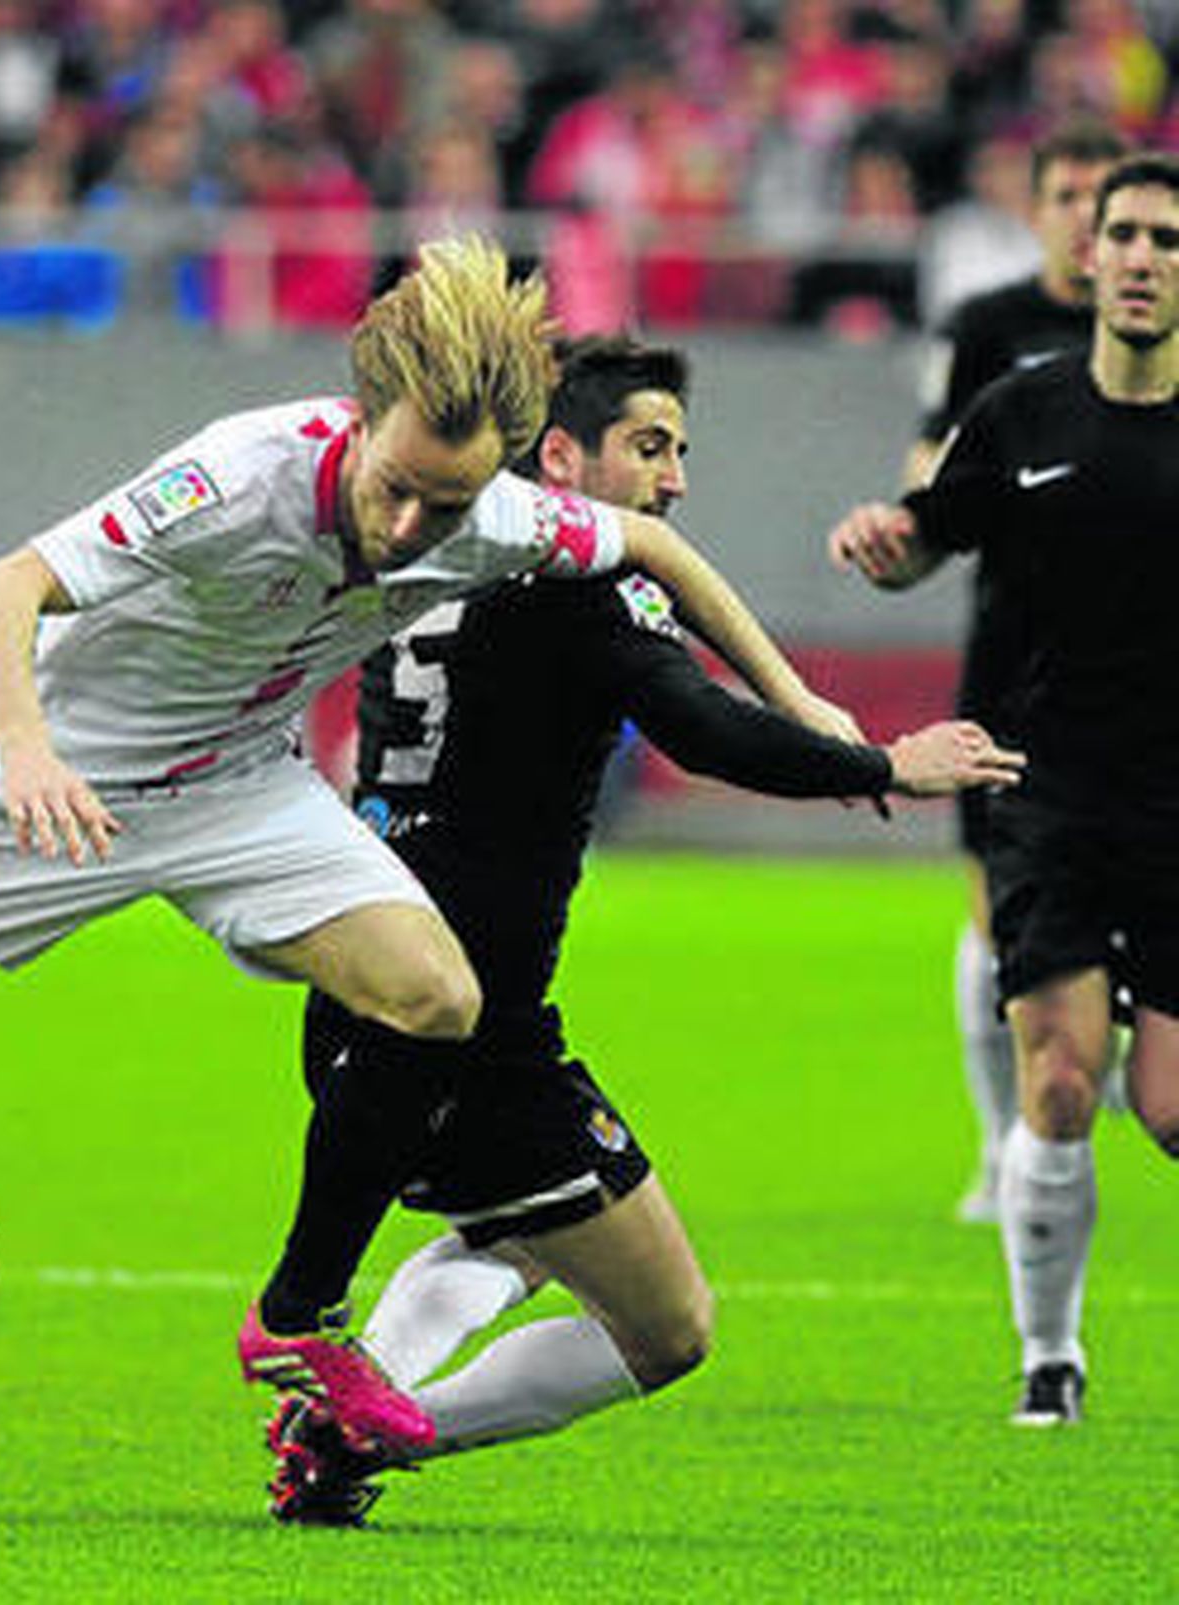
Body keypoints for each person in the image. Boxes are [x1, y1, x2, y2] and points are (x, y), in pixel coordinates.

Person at [0, 235, 856, 1313]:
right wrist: (24, 747)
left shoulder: (497, 517)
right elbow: (0, 590)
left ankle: (300, 1321)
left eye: (442, 507)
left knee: (437, 993)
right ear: (362, 420)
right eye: (394, 489)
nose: (407, 529)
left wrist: (795, 699)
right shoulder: (238, 477)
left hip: (239, 789)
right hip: (62, 781)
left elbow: (650, 543)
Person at [238, 335, 1025, 1524]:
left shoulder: (428, 551)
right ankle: (353, 1436)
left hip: (371, 982)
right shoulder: (580, 584)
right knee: (667, 1329)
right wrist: (882, 764)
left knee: (518, 1239)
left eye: (679, 450)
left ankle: (351, 1406)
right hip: (471, 1028)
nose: (674, 479)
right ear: (561, 458)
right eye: (649, 447)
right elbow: (698, 724)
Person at [828, 153, 1179, 1426]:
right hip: (1049, 789)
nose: (1139, 257)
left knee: (1168, 1109)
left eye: (1167, 240)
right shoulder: (1021, 413)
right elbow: (928, 542)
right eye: (1123, 232)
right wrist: (885, 545)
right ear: (1088, 252)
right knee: (1063, 1080)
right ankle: (1049, 1356)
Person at [906, 119, 1126, 1225]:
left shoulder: (1153, 332)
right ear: (1036, 211)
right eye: (1069, 198)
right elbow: (929, 468)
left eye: (1106, 203)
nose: (1089, 222)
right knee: (997, 908)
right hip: (1015, 657)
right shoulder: (987, 330)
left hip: (1142, 670)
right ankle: (1002, 1143)